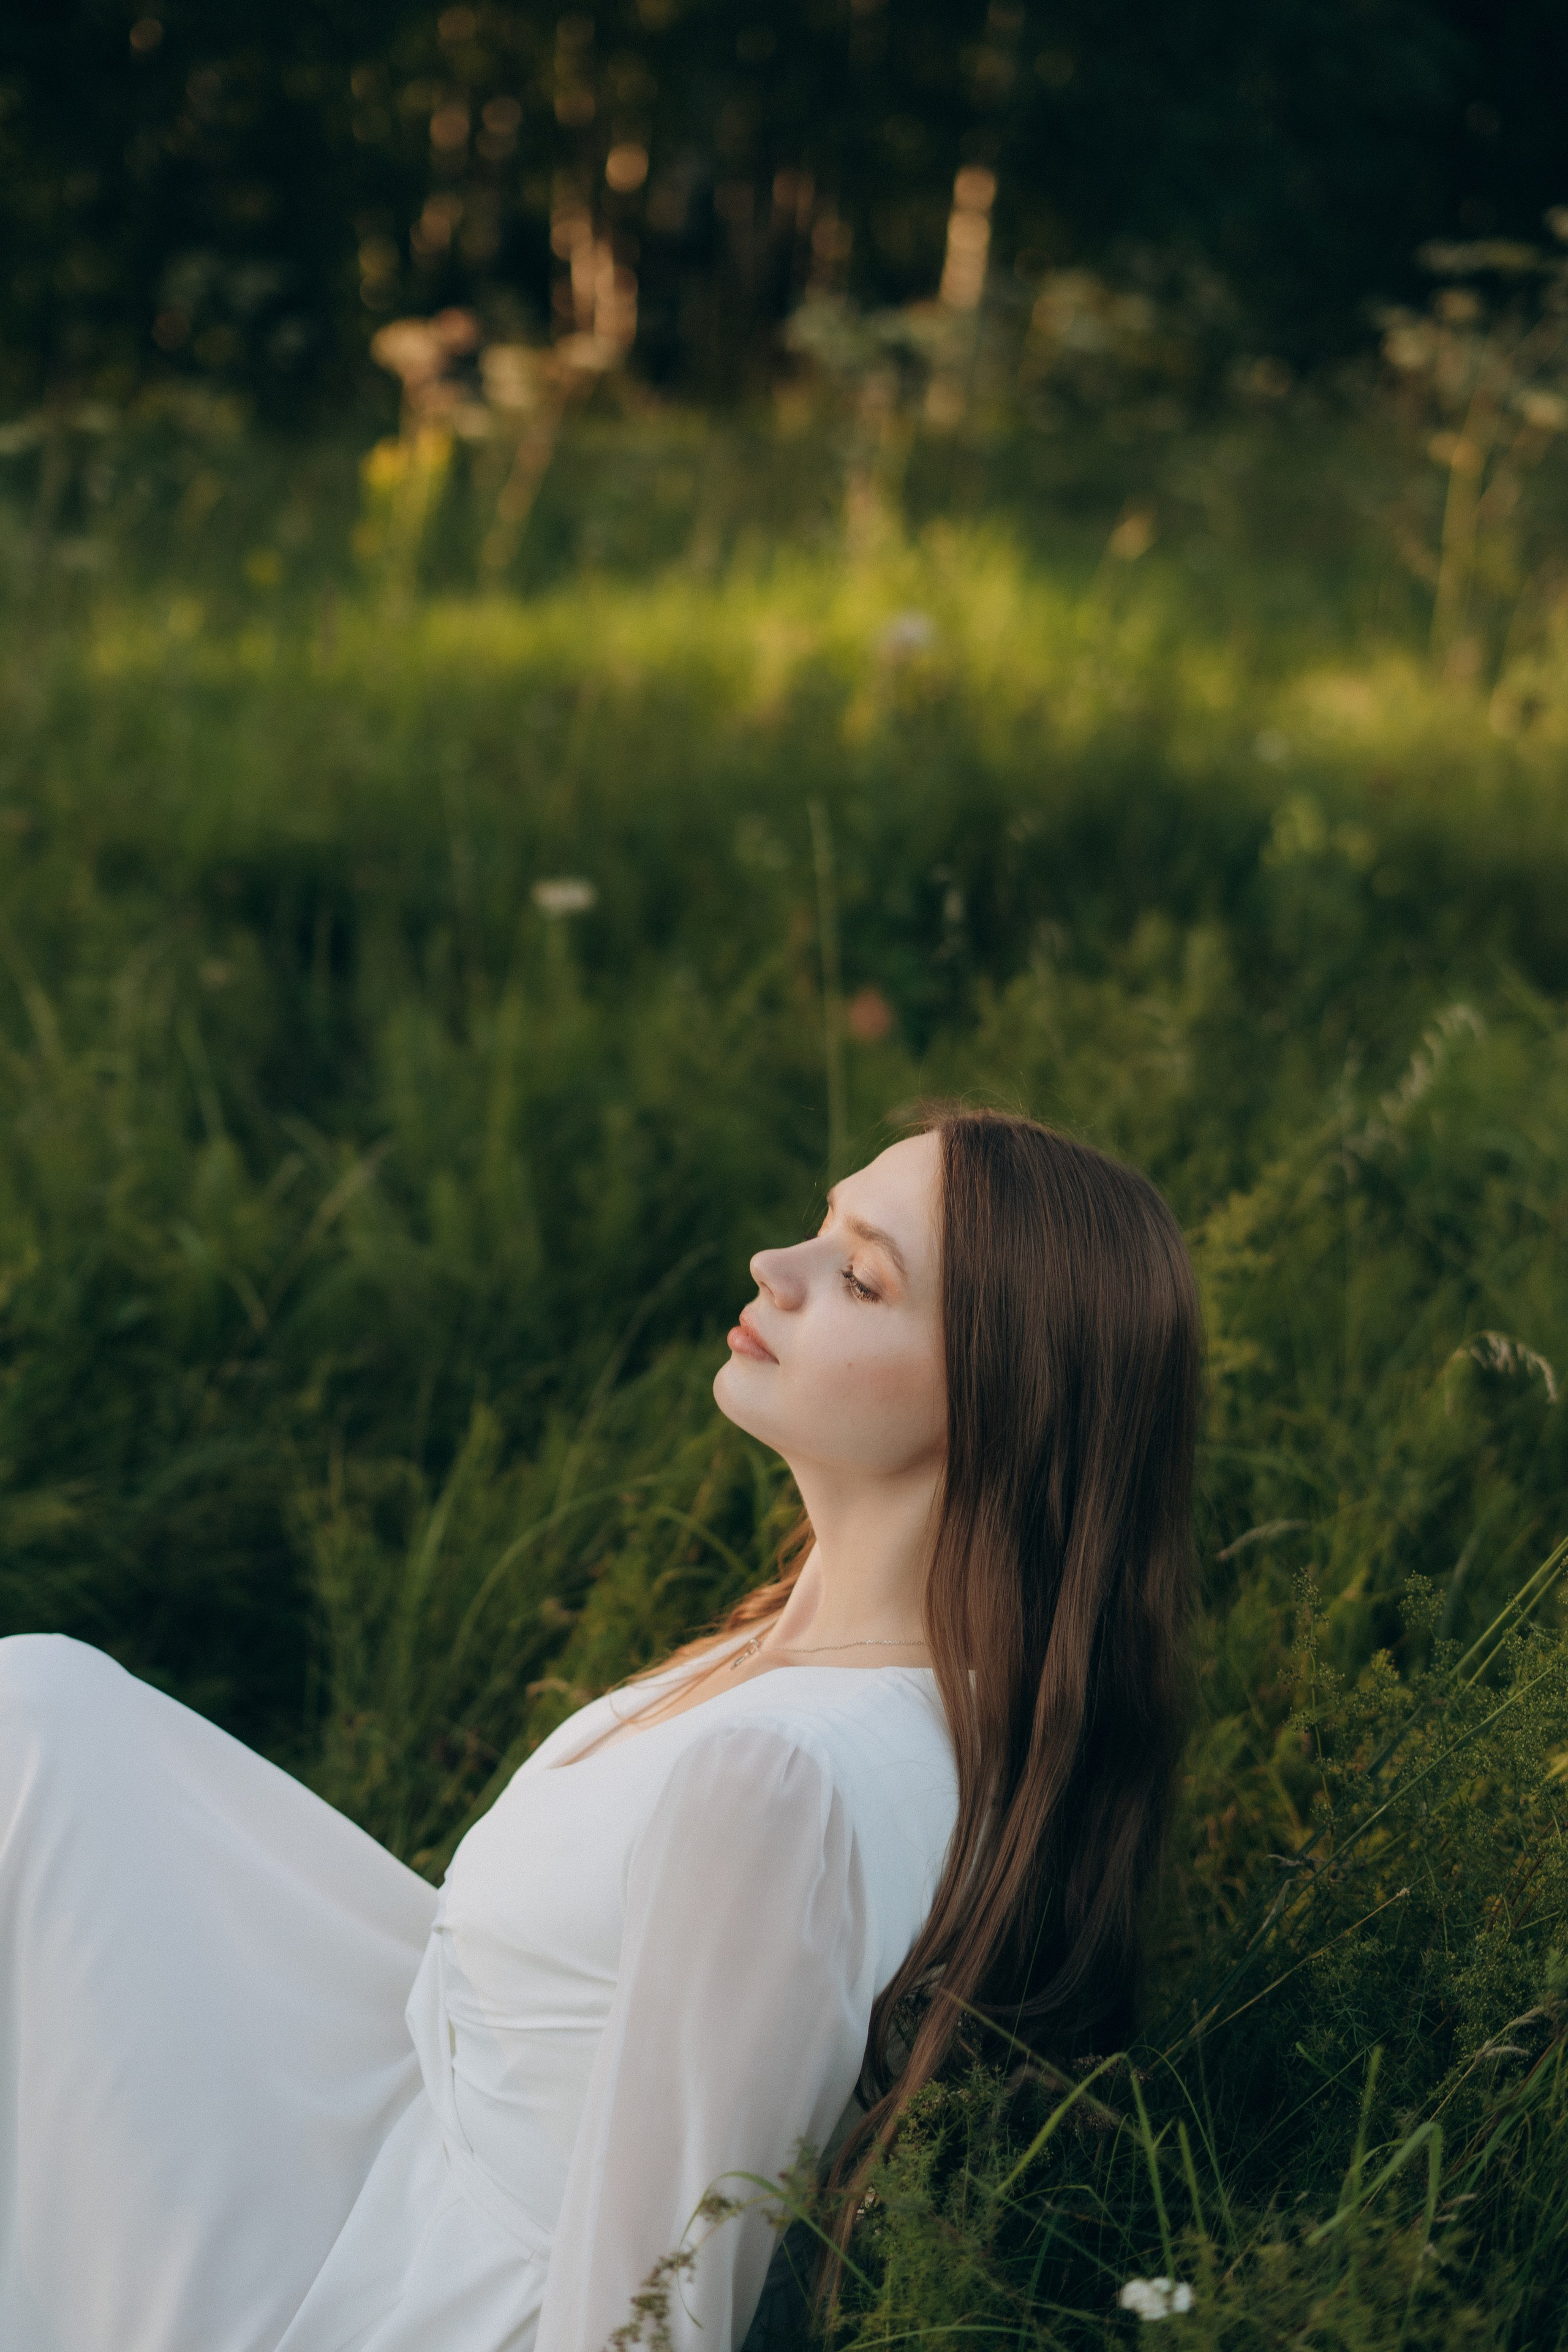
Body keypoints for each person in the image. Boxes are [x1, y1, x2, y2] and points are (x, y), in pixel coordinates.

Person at [0, 1107, 1199, 2352]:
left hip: (412, 2291)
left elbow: (657, 2299)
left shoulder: (780, 1783)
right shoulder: (820, 1658)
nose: (773, 1272)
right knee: (47, 1726)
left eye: (856, 1278)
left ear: (1003, 1398)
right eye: (818, 1228)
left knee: (30, 1748)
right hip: (398, 2133)